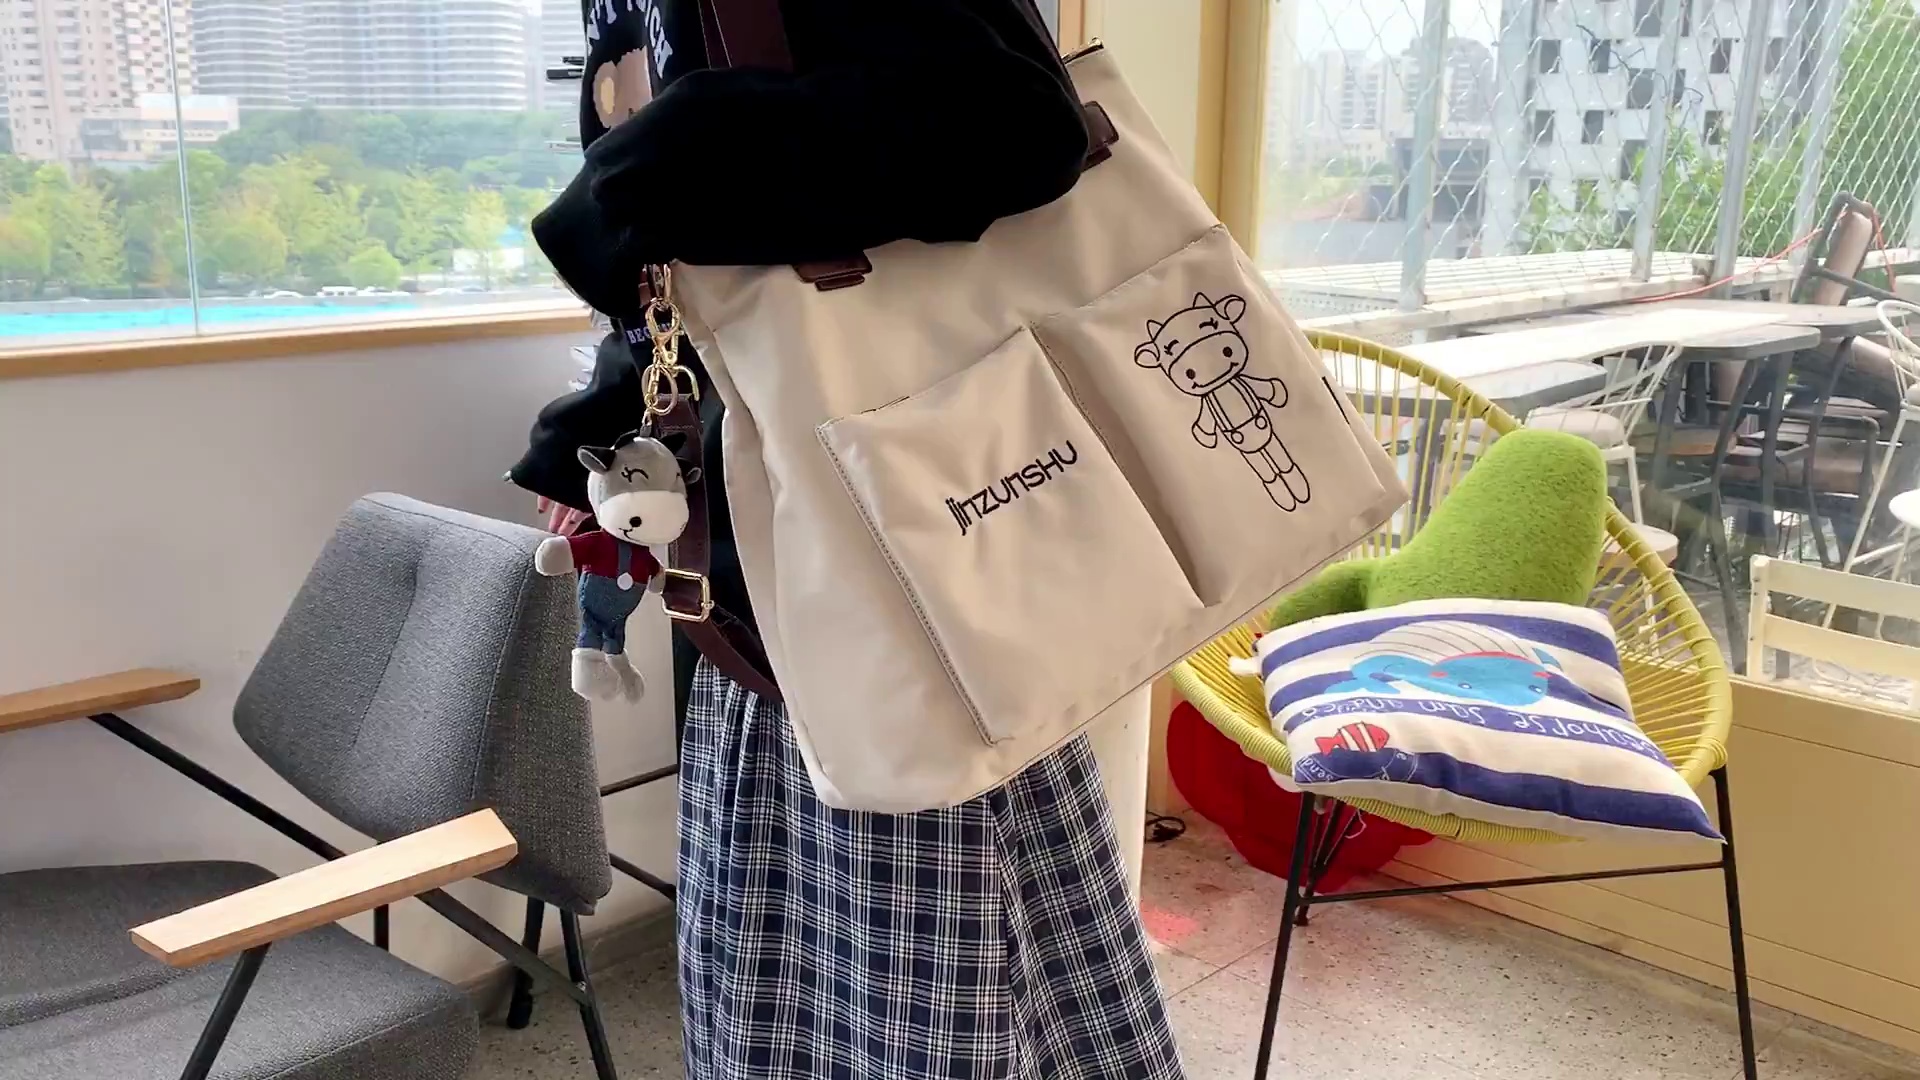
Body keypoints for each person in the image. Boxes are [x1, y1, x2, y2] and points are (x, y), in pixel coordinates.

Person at [518, 3, 1187, 1077]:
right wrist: (595, 430)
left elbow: (1019, 122)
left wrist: (639, 173)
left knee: (944, 999)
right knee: (790, 997)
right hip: (771, 604)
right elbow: (699, 289)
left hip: (908, 587)